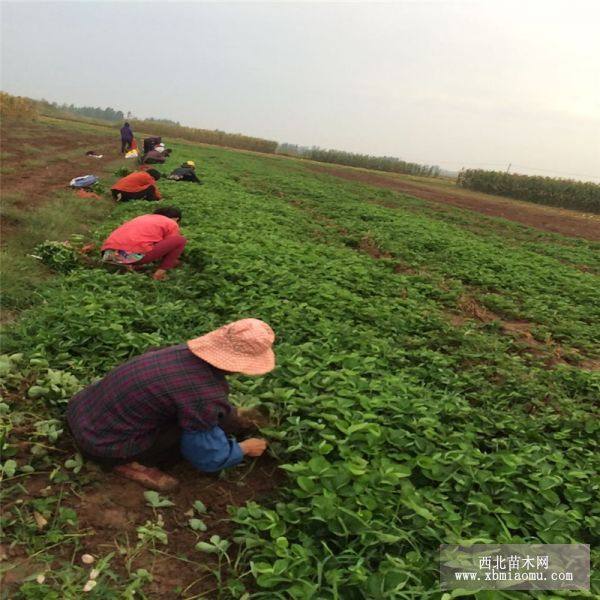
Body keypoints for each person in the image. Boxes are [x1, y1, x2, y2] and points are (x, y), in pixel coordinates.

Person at [66, 319, 275, 491]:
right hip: (102, 443)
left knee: (203, 415)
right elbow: (205, 457)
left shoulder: (180, 351)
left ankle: (230, 417)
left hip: (81, 410)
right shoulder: (204, 395)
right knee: (181, 439)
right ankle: (124, 463)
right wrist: (243, 449)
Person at [101, 206, 186, 280]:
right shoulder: (171, 223)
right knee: (180, 240)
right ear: (176, 219)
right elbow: (168, 246)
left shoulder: (142, 217)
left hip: (108, 253)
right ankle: (160, 273)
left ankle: (126, 264)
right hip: (131, 255)